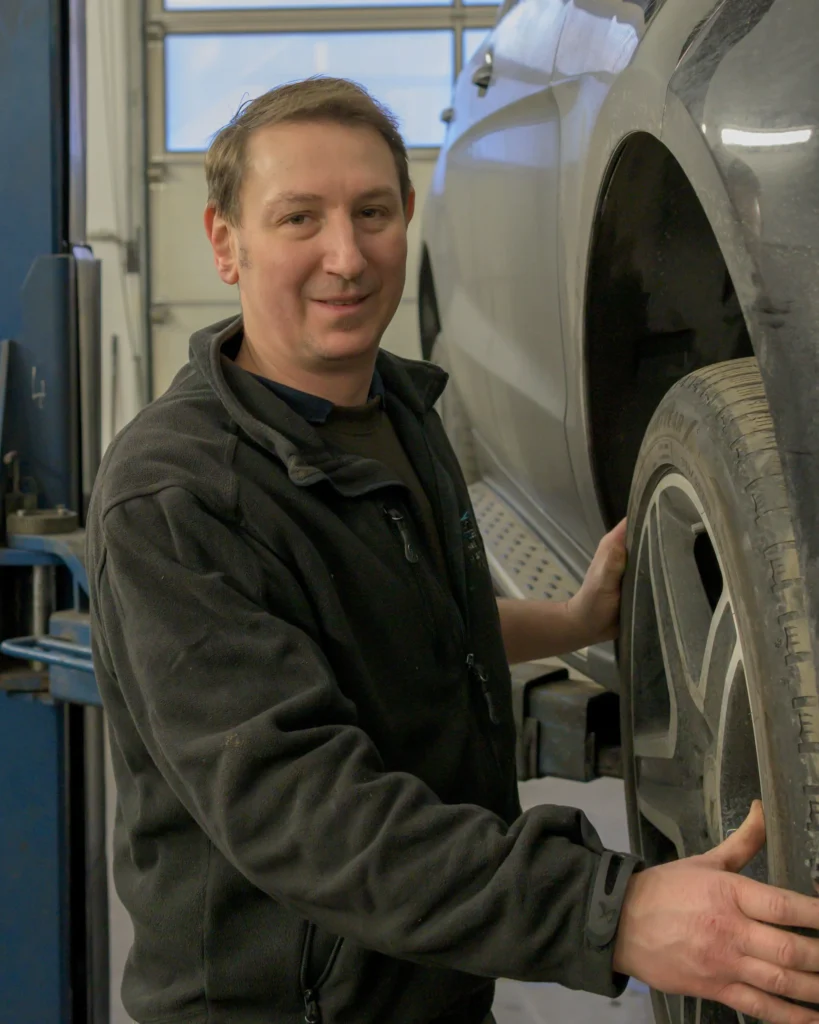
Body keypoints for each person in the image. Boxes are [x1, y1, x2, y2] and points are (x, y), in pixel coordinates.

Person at [86, 77, 819, 1024]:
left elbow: (396, 620)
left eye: (371, 212)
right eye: (299, 218)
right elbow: (305, 817)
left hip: (430, 978)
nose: (346, 256)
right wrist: (611, 914)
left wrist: (570, 619)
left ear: (407, 217)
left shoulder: (397, 408)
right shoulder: (177, 497)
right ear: (225, 243)